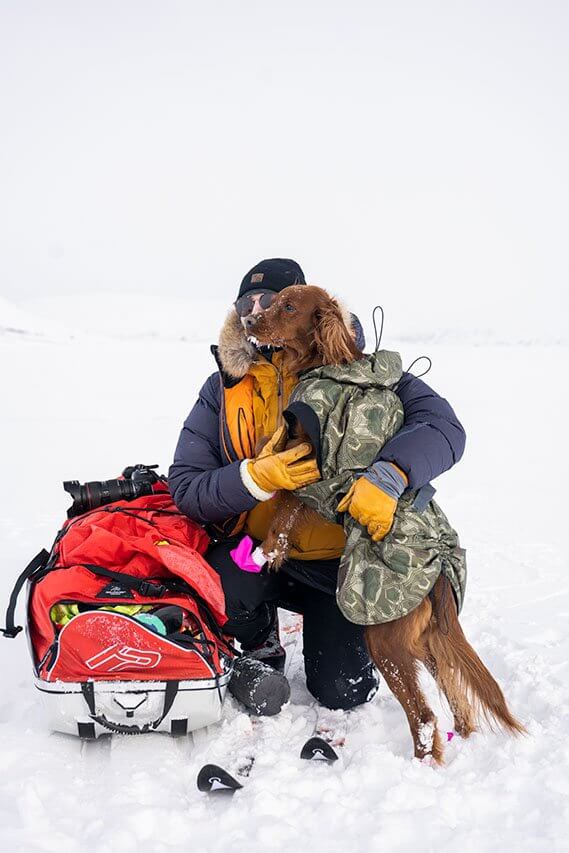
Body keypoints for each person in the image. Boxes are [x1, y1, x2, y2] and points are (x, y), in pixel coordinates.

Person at [169, 259, 466, 714]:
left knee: (341, 693)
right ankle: (260, 640)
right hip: (259, 549)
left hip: (340, 563)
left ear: (307, 311)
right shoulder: (223, 389)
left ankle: (333, 628)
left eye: (271, 301)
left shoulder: (363, 374)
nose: (255, 311)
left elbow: (443, 428)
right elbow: (187, 488)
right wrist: (253, 477)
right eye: (244, 303)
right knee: (221, 587)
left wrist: (389, 474)